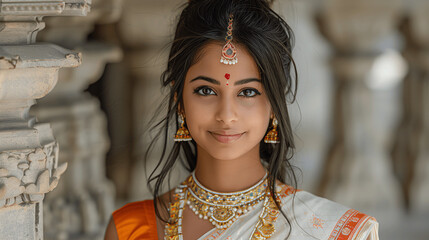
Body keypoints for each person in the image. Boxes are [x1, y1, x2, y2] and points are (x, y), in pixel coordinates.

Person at [105, 0, 379, 239]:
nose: (226, 115)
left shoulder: (333, 232)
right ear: (179, 99)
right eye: (206, 90)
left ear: (274, 103)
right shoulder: (130, 230)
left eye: (248, 92)